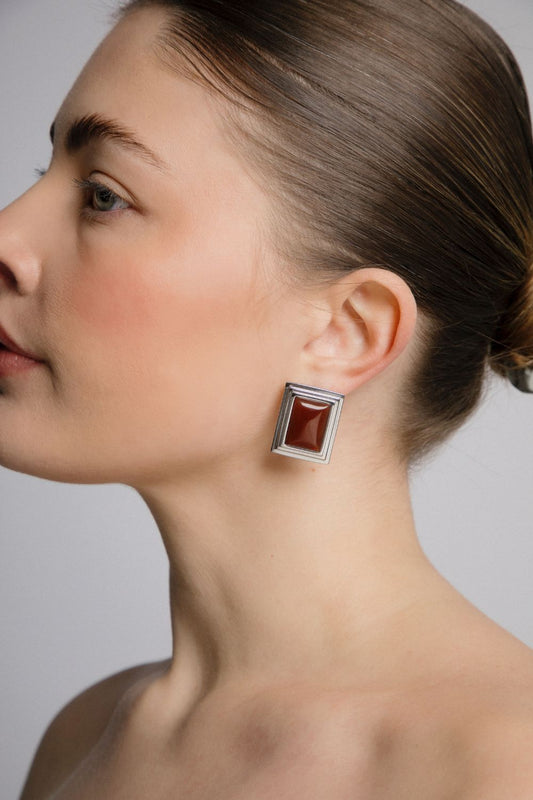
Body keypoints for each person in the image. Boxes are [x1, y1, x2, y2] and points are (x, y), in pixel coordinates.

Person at [2, 0, 533, 797]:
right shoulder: (85, 737)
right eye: (49, 174)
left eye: (104, 195)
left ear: (346, 334)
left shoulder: (500, 766)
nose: (8, 237)